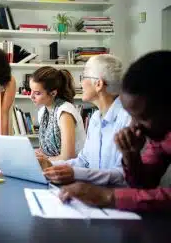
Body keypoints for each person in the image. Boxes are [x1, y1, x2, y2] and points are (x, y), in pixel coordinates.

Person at [60, 50, 171, 212]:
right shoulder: (158, 135)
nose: (134, 126)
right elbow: (146, 184)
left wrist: (109, 196)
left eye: (143, 117)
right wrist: (131, 157)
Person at [39, 54, 130, 186]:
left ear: (98, 84)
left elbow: (123, 175)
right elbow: (83, 161)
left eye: (84, 77)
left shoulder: (127, 119)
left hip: (117, 201)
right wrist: (49, 163)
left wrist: (74, 174)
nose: (81, 83)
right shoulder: (95, 118)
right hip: (94, 195)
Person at [30, 66, 86, 161]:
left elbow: (68, 157)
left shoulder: (65, 112)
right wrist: (37, 153)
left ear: (53, 93)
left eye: (37, 93)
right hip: (54, 165)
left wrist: (44, 159)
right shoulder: (43, 112)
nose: (31, 96)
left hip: (73, 168)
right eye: (31, 90)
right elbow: (47, 150)